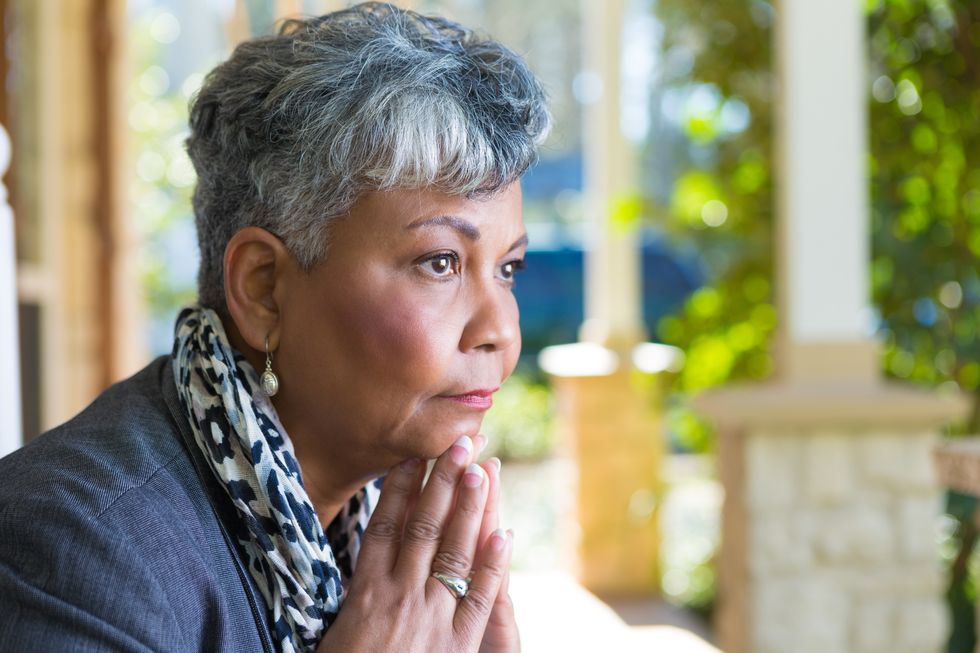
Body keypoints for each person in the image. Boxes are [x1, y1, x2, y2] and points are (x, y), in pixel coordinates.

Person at [0, 3, 550, 651]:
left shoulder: (380, 536)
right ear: (263, 288)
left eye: (508, 267)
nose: (500, 332)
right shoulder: (72, 556)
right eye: (441, 262)